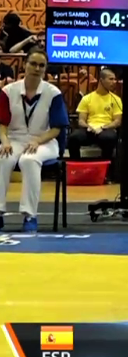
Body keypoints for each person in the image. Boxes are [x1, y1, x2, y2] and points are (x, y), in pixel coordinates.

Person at [0, 47, 68, 232]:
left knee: (29, 160)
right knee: (3, 158)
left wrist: (38, 141)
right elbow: (2, 123)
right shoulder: (8, 91)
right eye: (33, 64)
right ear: (25, 64)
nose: (37, 68)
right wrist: (4, 141)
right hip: (15, 138)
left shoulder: (53, 93)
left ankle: (30, 215)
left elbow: (57, 128)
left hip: (45, 140)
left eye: (41, 65)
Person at [67, 68, 121, 162]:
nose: (114, 82)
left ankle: (105, 167)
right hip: (90, 130)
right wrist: (88, 127)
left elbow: (117, 121)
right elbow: (81, 121)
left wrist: (103, 127)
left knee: (109, 138)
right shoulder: (87, 98)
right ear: (101, 80)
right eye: (111, 79)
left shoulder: (116, 99)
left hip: (106, 130)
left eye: (115, 79)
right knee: (73, 138)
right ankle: (76, 165)